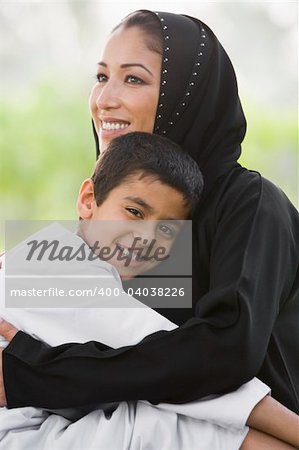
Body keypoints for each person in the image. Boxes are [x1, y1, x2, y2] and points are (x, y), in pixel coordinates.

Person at [1, 6, 298, 420]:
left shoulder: (251, 203)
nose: (104, 100)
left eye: (133, 78)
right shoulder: (110, 213)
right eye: (102, 76)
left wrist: (44, 375)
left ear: (187, 97)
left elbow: (228, 349)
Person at [1, 131, 298, 449]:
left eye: (167, 228)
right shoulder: (58, 270)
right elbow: (188, 370)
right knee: (160, 420)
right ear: (89, 200)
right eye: (134, 212)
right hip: (21, 438)